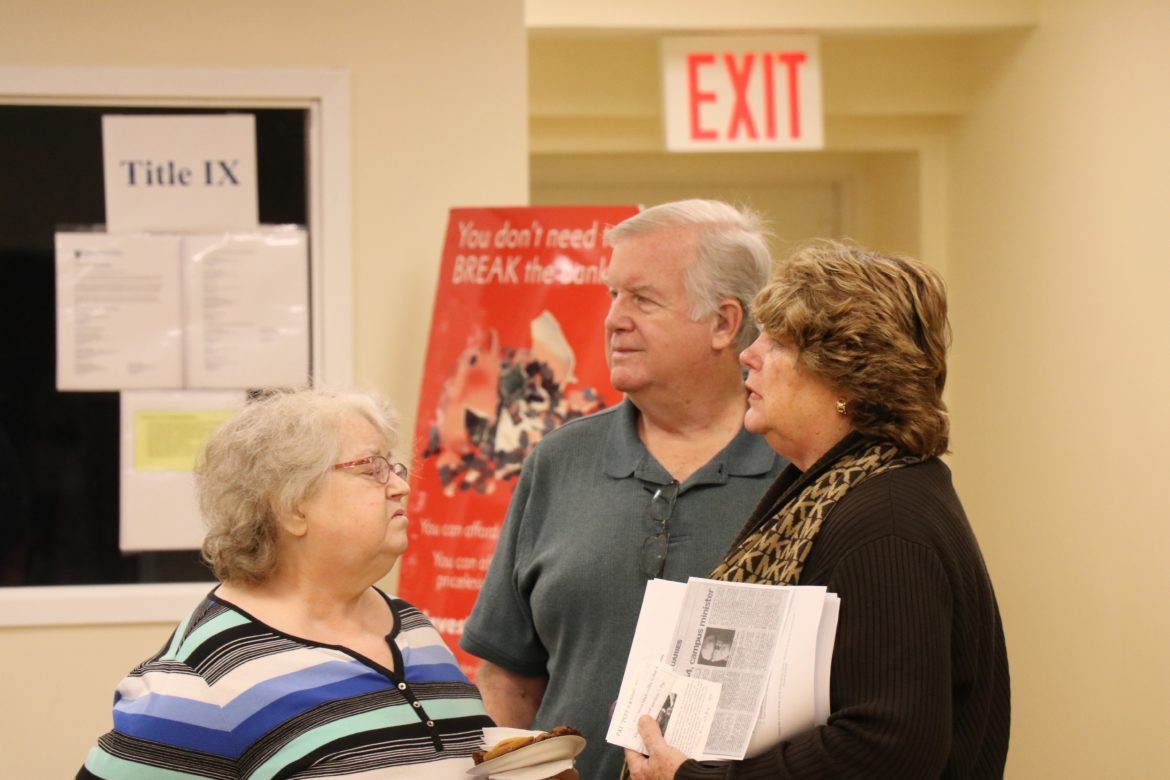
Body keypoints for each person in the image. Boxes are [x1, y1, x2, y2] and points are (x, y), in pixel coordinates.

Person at [625, 240, 1011, 779]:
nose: (748, 354)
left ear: (845, 377)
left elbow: (887, 745)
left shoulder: (887, 521)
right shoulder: (839, 489)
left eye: (777, 341)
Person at [461, 199, 788, 779]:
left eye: (642, 298)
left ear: (723, 323)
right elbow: (509, 673)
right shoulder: (560, 461)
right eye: (613, 295)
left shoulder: (799, 467)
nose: (613, 319)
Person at [78, 388, 495, 779]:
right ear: (291, 505)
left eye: (395, 467)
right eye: (372, 470)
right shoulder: (202, 679)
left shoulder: (412, 626)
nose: (401, 487)